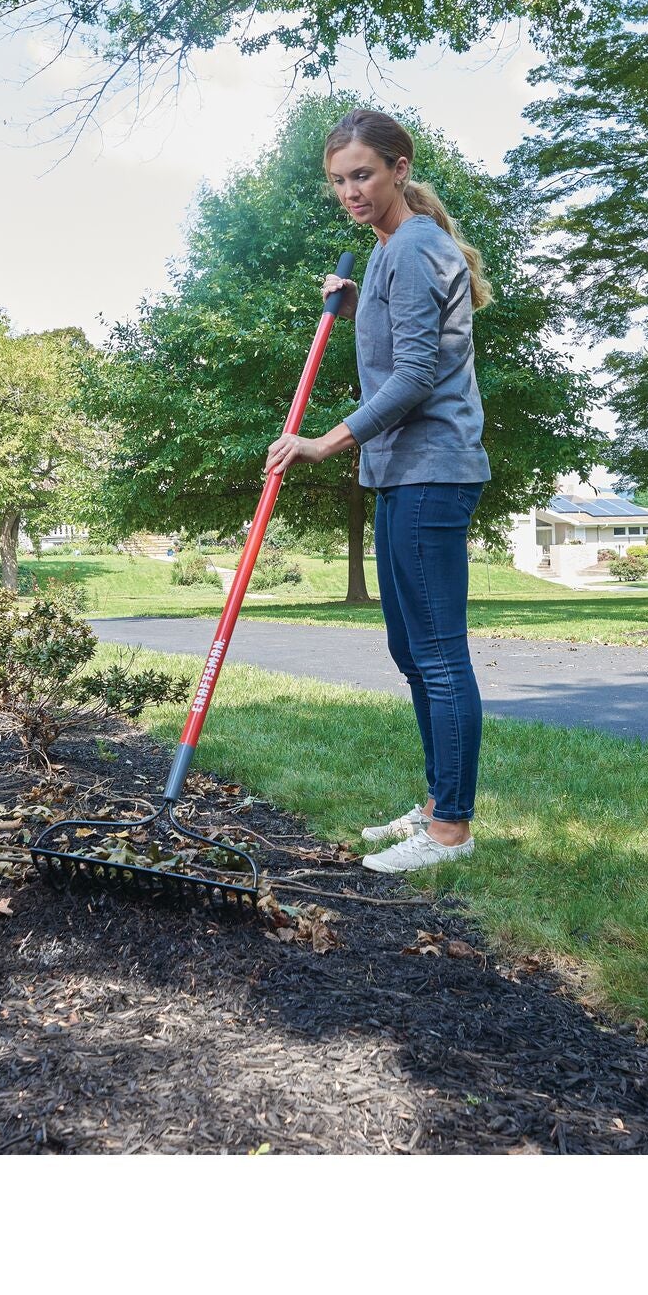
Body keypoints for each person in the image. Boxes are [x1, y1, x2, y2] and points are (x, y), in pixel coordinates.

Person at [264, 108, 493, 873]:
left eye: (362, 174)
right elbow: (407, 340)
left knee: (436, 653)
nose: (349, 192)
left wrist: (324, 442)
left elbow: (419, 374)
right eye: (337, 180)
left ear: (400, 167)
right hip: (402, 472)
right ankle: (435, 804)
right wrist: (361, 304)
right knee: (409, 648)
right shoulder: (395, 250)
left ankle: (452, 831)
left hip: (432, 470)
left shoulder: (418, 244)